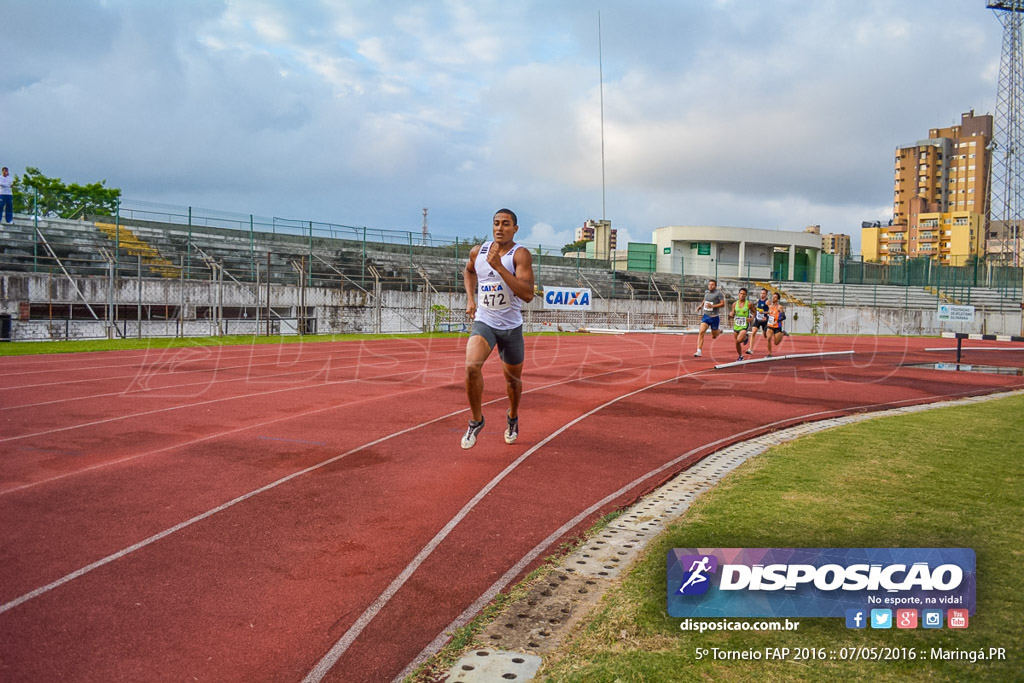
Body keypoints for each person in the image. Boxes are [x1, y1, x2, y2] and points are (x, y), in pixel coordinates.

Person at [461, 208, 535, 449]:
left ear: (515, 228)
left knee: (513, 382)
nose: (500, 228)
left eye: (506, 223)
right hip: (485, 322)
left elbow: (527, 295)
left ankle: (512, 417)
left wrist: (499, 267)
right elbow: (469, 271)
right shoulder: (479, 251)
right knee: (471, 367)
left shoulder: (520, 255)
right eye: (496, 223)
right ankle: (476, 420)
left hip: (511, 328)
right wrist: (470, 299)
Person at [692, 278, 725, 358]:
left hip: (714, 317)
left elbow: (723, 304)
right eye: (709, 284)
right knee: (701, 332)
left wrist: (712, 306)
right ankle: (699, 351)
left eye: (712, 285)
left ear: (715, 286)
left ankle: (718, 331)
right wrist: (700, 306)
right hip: (706, 316)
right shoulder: (706, 292)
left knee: (714, 336)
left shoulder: (719, 294)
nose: (710, 286)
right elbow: (705, 299)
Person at [728, 287, 752, 362]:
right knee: (737, 342)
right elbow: (732, 313)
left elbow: (754, 312)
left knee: (738, 340)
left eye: (744, 294)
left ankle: (745, 337)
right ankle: (740, 356)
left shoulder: (748, 304)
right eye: (741, 294)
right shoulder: (734, 304)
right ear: (738, 294)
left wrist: (752, 319)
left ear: (746, 295)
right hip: (736, 325)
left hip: (744, 325)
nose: (742, 295)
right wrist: (731, 315)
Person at [748, 288, 770, 355]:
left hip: (764, 320)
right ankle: (750, 349)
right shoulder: (758, 301)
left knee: (765, 335)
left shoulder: (767, 302)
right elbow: (756, 309)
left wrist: (764, 312)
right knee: (753, 333)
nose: (762, 295)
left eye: (763, 293)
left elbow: (771, 311)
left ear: (766, 294)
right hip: (758, 319)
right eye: (761, 293)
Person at [765, 292, 786, 357]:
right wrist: (764, 313)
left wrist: (777, 321)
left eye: (775, 297)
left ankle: (782, 333)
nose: (773, 298)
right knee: (768, 338)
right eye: (773, 297)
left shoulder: (780, 307)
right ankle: (770, 353)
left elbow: (783, 317)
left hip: (777, 326)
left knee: (776, 343)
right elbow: (770, 313)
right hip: (770, 325)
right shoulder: (770, 306)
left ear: (778, 299)